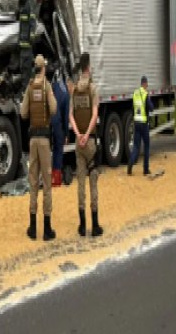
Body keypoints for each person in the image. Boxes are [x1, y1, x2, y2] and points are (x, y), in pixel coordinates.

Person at [20, 54, 57, 241]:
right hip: (44, 140)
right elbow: (54, 108)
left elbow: (23, 112)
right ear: (43, 68)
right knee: (47, 183)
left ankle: (33, 227)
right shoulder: (46, 86)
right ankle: (47, 228)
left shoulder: (29, 86)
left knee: (33, 182)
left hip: (32, 139)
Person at [69, 53, 103, 237]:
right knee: (93, 182)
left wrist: (78, 134)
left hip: (78, 143)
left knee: (80, 183)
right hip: (90, 142)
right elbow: (95, 114)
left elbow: (71, 116)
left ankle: (82, 226)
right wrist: (87, 135)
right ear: (88, 67)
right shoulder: (92, 88)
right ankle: (95, 225)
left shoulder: (74, 90)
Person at [127, 76, 154, 176]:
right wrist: (151, 102)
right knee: (146, 146)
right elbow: (151, 108)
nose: (147, 85)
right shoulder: (145, 94)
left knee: (136, 146)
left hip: (136, 123)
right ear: (145, 83)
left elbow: (132, 108)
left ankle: (130, 163)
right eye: (147, 84)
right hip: (144, 124)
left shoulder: (135, 93)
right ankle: (145, 170)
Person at [50, 70, 69, 187]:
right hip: (57, 123)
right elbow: (65, 116)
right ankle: (56, 179)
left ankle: (46, 177)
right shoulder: (65, 92)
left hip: (46, 123)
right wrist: (66, 133)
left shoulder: (50, 88)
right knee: (58, 149)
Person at [17, 0, 35, 91]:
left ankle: (26, 92)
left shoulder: (29, 5)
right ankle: (24, 90)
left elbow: (32, 22)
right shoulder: (21, 5)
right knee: (22, 68)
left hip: (27, 45)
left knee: (26, 69)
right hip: (22, 45)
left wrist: (31, 36)